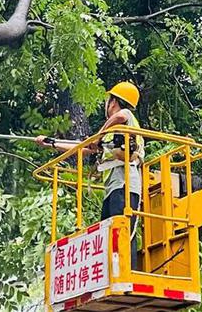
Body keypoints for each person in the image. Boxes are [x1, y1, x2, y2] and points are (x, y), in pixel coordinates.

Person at [36, 82, 144, 269]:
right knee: (106, 232)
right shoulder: (111, 134)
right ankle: (111, 271)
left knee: (123, 230)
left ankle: (126, 273)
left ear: (114, 102)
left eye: (109, 101)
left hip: (126, 184)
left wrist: (99, 136)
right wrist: (51, 144)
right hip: (113, 188)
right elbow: (83, 148)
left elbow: (120, 116)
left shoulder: (126, 116)